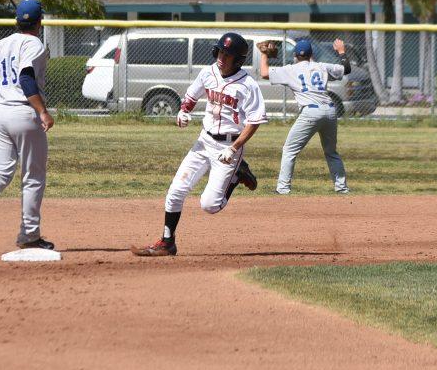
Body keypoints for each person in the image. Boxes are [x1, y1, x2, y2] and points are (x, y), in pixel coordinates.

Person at [131, 32, 266, 257]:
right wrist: (183, 111)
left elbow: (254, 122)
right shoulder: (208, 72)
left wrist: (234, 149)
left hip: (229, 147)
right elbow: (191, 97)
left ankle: (237, 175)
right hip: (204, 142)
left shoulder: (248, 85)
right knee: (175, 191)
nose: (222, 57)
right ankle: (167, 242)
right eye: (220, 52)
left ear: (239, 60)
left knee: (210, 205)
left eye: (228, 54)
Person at [0, 0, 55, 250]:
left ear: (17, 21)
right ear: (39, 22)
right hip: (24, 113)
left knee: (2, 170)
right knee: (33, 176)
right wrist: (43, 111)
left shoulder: (2, 43)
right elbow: (26, 77)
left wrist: (2, 95)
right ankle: (29, 235)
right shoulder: (34, 43)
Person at [259, 38, 349, 194]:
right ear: (311, 54)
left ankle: (283, 189)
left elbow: (264, 73)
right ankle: (342, 188)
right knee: (331, 152)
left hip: (310, 112)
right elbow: (346, 68)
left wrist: (264, 54)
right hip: (330, 111)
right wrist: (341, 51)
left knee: (289, 150)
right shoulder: (322, 67)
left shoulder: (290, 69)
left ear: (295, 55)